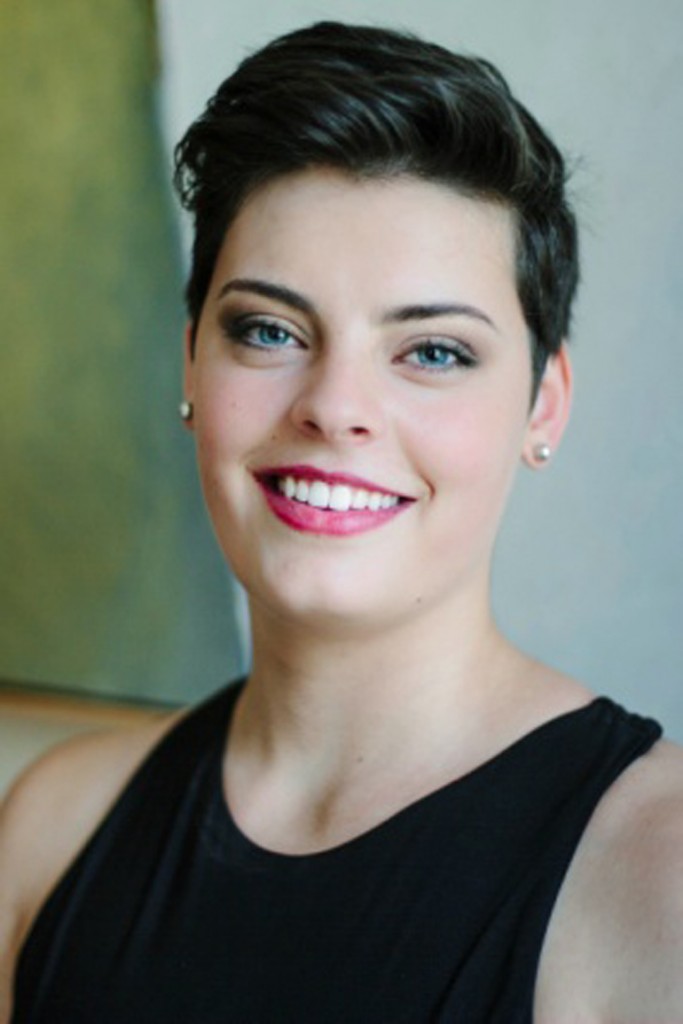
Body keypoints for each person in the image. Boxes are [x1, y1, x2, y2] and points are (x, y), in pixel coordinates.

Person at [1, 20, 682, 1023]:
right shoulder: (50, 829)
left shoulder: (657, 878)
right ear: (192, 361)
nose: (333, 406)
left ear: (542, 405)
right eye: (269, 330)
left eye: (433, 351)